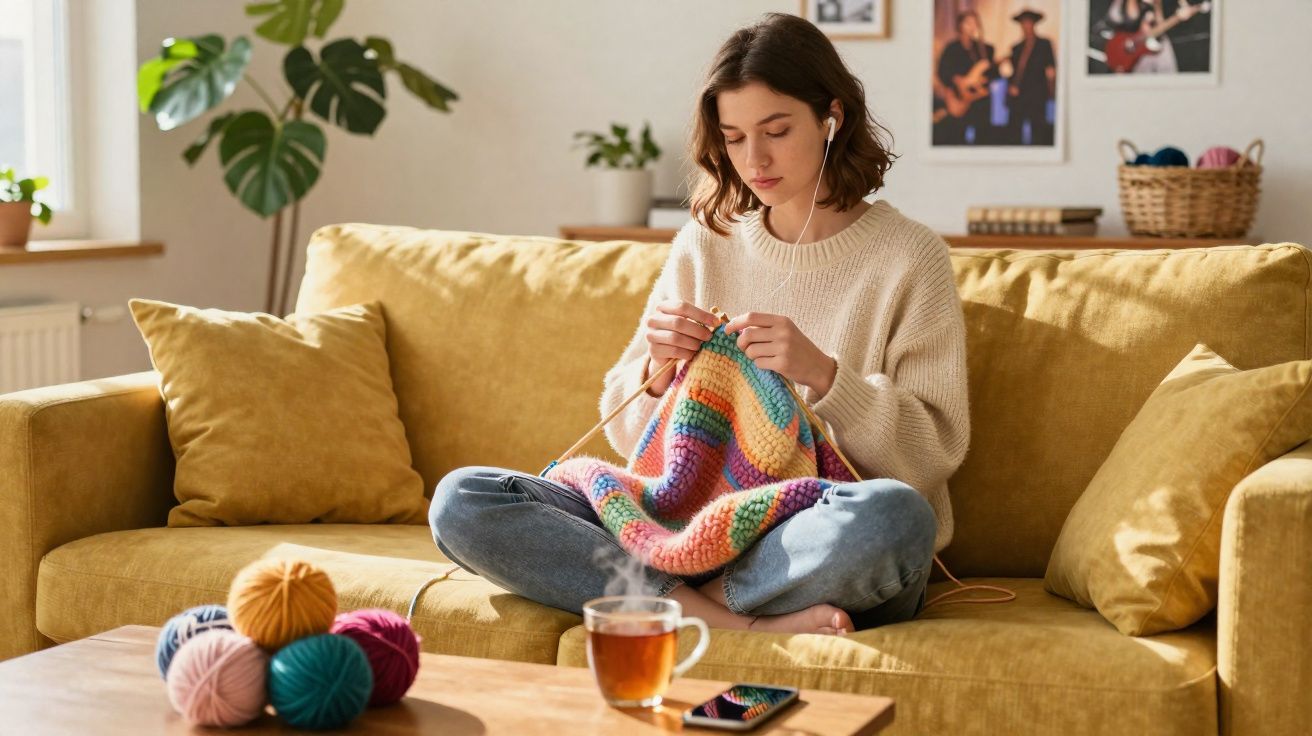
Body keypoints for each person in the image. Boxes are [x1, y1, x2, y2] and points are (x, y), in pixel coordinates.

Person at [430, 12, 970, 636]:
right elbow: (630, 435)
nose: (754, 159)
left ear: (833, 118)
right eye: (734, 137)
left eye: (776, 130)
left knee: (895, 518)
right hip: (685, 527)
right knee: (465, 498)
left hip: (806, 540)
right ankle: (727, 620)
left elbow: (932, 455)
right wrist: (657, 375)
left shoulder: (910, 257)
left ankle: (668, 603)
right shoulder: (705, 244)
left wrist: (823, 375)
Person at [933, 10, 1001, 145]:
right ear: (960, 26)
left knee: (983, 136)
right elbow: (942, 72)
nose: (972, 26)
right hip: (959, 98)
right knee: (956, 136)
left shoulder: (986, 49)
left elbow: (995, 74)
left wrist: (985, 79)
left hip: (980, 100)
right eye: (968, 23)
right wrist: (958, 80)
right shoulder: (951, 48)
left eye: (975, 23)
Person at [1005, 9, 1056, 145]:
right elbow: (1012, 72)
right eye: (1023, 23)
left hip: (1037, 95)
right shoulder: (1016, 48)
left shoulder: (1044, 44)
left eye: (1029, 22)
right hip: (1018, 96)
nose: (1026, 26)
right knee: (1014, 131)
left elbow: (1051, 70)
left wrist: (1052, 90)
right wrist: (1011, 86)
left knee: (1038, 131)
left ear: (1034, 24)